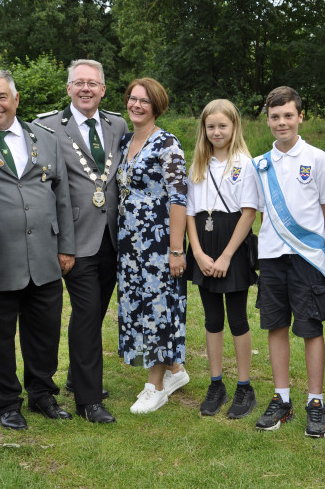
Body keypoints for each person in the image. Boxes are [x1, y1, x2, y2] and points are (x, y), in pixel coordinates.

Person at [0, 70, 76, 430]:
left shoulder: (45, 137)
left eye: (2, 97)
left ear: (16, 99)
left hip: (44, 253)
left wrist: (66, 246)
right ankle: (7, 402)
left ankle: (42, 394)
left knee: (45, 331)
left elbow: (64, 197)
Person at [34, 59, 127, 424]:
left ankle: (76, 376)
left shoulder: (117, 124)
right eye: (79, 83)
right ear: (68, 88)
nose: (86, 89)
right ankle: (89, 401)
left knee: (96, 312)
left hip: (113, 237)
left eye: (93, 83)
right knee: (87, 315)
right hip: (72, 240)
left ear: (103, 89)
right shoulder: (45, 127)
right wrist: (61, 243)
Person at [252, 86, 325, 438]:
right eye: (275, 117)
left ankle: (315, 402)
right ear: (267, 120)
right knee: (276, 326)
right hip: (271, 257)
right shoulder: (260, 164)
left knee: (311, 327)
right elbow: (258, 213)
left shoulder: (317, 158)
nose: (282, 122)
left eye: (288, 115)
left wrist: (314, 246)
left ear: (301, 116)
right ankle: (281, 398)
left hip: (308, 259)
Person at [116, 77, 189, 414]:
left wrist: (176, 250)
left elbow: (178, 199)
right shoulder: (125, 141)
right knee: (139, 307)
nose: (136, 105)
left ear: (156, 106)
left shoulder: (167, 144)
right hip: (130, 245)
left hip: (159, 243)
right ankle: (175, 370)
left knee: (159, 309)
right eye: (132, 98)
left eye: (144, 101)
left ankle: (155, 386)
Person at [185, 99, 259, 419]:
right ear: (204, 129)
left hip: (233, 244)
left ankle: (244, 387)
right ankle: (217, 384)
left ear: (234, 127)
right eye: (211, 126)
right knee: (213, 320)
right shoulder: (198, 165)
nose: (216, 132)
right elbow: (189, 213)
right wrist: (198, 253)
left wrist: (227, 255)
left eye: (222, 126)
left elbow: (249, 213)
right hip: (203, 242)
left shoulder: (244, 163)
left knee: (237, 319)